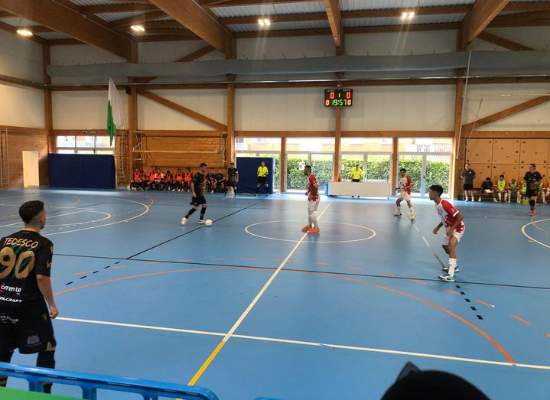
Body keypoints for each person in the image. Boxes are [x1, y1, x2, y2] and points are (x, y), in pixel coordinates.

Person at [0, 201, 58, 393]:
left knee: (3, 347)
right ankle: (43, 393)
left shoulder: (5, 240)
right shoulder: (44, 244)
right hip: (28, 305)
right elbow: (41, 277)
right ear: (41, 218)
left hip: (2, 302)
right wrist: (51, 304)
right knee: (47, 345)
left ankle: (2, 391)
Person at [429, 185, 465, 283]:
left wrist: (452, 229)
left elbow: (461, 216)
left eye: (430, 192)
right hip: (449, 228)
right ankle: (455, 266)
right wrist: (438, 227)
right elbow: (444, 218)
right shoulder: (437, 205)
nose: (429, 194)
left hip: (458, 228)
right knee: (446, 247)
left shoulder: (445, 204)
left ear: (435, 193)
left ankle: (451, 275)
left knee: (450, 247)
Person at [302, 165, 320, 233]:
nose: (303, 170)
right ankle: (309, 226)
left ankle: (316, 227)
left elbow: (316, 186)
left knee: (311, 211)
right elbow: (312, 186)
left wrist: (311, 194)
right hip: (312, 196)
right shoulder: (310, 177)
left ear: (307, 170)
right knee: (309, 211)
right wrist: (308, 192)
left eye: (304, 169)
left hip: (314, 197)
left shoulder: (311, 177)